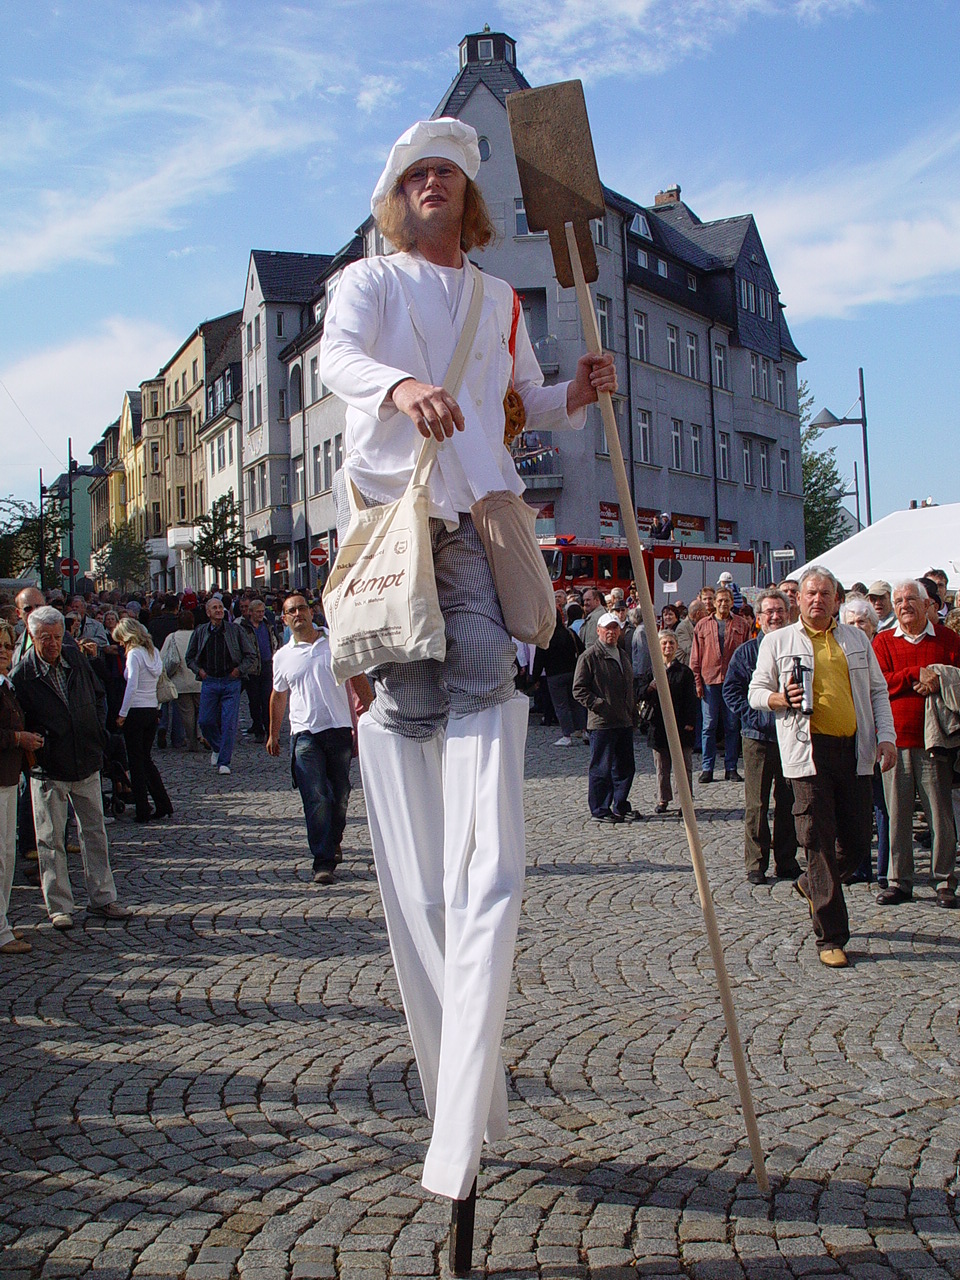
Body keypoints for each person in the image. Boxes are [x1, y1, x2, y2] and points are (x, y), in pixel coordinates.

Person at [318, 115, 616, 1207]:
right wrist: (399, 389)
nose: (432, 183)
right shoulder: (370, 280)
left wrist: (570, 395)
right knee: (407, 762)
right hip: (399, 541)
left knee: (487, 799)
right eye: (415, 172)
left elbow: (512, 404)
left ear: (470, 195)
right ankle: (461, 1096)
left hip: (482, 534)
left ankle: (467, 1101)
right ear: (399, 194)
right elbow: (338, 361)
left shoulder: (499, 300)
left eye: (447, 171)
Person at [748, 566, 896, 968]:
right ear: (799, 599)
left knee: (856, 842)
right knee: (816, 838)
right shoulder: (778, 641)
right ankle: (831, 935)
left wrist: (887, 737)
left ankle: (810, 883)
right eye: (810, 593)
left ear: (837, 599)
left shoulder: (856, 640)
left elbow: (878, 692)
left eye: (825, 594)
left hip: (854, 750)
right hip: (807, 752)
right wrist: (779, 699)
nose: (817, 600)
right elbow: (756, 692)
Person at [10, 607, 129, 930]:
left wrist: (98, 734)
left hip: (87, 759)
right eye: (45, 638)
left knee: (95, 834)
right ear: (32, 637)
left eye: (57, 637)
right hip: (49, 769)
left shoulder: (74, 659)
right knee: (50, 840)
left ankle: (103, 897)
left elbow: (98, 694)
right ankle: (59, 905)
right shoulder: (22, 675)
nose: (52, 644)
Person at [267, 594, 370, 884]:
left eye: (302, 608)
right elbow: (278, 696)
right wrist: (274, 733)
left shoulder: (335, 643)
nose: (298, 613)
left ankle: (333, 838)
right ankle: (322, 861)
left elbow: (358, 678)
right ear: (285, 619)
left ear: (312, 613)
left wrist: (371, 714)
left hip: (337, 729)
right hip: (304, 734)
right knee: (316, 796)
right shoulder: (283, 657)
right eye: (291, 611)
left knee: (340, 795)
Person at [872, 579, 960, 908]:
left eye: (911, 599)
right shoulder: (883, 641)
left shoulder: (949, 640)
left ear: (927, 605)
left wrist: (941, 679)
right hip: (896, 742)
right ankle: (899, 881)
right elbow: (879, 682)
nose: (904, 605)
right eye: (898, 600)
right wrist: (915, 674)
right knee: (897, 817)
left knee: (940, 817)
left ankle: (944, 880)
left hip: (936, 743)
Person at [722, 589, 799, 884]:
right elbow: (732, 691)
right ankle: (755, 862)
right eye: (769, 612)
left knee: (789, 802)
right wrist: (755, 716)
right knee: (756, 804)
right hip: (758, 737)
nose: (775, 616)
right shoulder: (747, 652)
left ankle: (787, 860)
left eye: (780, 611)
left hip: (791, 736)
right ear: (759, 618)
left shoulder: (797, 648)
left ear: (788, 614)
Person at [1, 620, 44, 954]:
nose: (5, 652)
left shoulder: (6, 684)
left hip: (8, 777)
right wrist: (18, 738)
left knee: (6, 855)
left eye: (7, 645)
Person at [839, 595, 889, 885]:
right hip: (850, 740)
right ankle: (858, 866)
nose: (857, 626)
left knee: (882, 806)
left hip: (878, 737)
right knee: (856, 808)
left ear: (873, 625)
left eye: (862, 621)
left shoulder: (881, 649)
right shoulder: (840, 652)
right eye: (851, 622)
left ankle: (884, 869)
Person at [573, 612, 638, 823]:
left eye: (615, 628)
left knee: (625, 767)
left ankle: (620, 804)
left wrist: (632, 710)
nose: (611, 632)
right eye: (607, 628)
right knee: (601, 768)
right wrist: (599, 705)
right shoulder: (589, 656)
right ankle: (600, 809)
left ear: (620, 631)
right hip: (602, 723)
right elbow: (579, 689)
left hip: (624, 720)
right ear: (599, 630)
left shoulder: (622, 654)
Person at [185, 597, 258, 775]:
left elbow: (250, 654)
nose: (218, 610)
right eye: (214, 608)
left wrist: (239, 671)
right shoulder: (201, 631)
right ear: (208, 612)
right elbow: (190, 656)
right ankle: (217, 747)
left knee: (228, 722)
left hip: (230, 681)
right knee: (205, 720)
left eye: (220, 607)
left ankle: (224, 761)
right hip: (210, 681)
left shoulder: (235, 630)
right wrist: (199, 670)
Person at [112, 619, 172, 823]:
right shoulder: (152, 651)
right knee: (146, 759)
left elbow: (131, 686)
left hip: (135, 710)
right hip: (151, 708)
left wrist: (122, 713)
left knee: (136, 762)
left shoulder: (134, 654)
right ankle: (163, 802)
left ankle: (142, 809)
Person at [690, 585, 750, 782]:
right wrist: (697, 682)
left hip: (734, 683)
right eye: (720, 601)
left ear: (732, 603)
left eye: (727, 600)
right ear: (714, 603)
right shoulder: (702, 625)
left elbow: (748, 655)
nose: (724, 604)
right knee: (709, 726)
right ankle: (707, 767)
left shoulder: (742, 624)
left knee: (733, 725)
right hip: (709, 681)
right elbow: (695, 657)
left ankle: (731, 767)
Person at [642, 629, 697, 815]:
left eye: (671, 643)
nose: (668, 647)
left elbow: (691, 698)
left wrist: (690, 722)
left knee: (684, 767)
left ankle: (686, 802)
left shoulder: (685, 672)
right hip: (658, 727)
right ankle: (663, 799)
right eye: (664, 643)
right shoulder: (652, 670)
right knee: (661, 767)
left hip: (682, 725)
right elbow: (639, 693)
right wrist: (649, 688)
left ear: (676, 646)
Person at [533, 600, 586, 747]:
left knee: (561, 706)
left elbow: (539, 659)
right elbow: (581, 650)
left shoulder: (546, 637)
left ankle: (567, 735)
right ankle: (583, 730)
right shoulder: (570, 633)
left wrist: (534, 678)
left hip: (554, 675)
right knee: (576, 703)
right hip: (572, 672)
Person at [160, 610, 203, 750]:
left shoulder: (172, 637)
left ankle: (192, 742)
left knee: (187, 714)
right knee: (202, 710)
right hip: (199, 680)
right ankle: (202, 734)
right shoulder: (199, 635)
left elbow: (162, 658)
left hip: (180, 682)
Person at [241, 598, 278, 743]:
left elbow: (274, 641)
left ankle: (269, 729)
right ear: (251, 613)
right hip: (252, 669)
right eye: (258, 612)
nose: (261, 614)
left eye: (262, 611)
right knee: (254, 701)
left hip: (267, 666)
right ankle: (258, 728)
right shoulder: (244, 628)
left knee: (267, 699)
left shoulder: (267, 625)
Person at [579, 586, 605, 651]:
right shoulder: (601, 613)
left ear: (597, 601)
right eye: (584, 600)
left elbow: (590, 645)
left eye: (588, 600)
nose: (585, 603)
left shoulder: (595, 618)